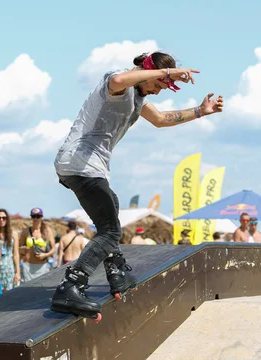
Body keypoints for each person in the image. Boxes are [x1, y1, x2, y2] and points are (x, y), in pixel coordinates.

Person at [51, 51, 223, 318]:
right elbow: (121, 79)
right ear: (149, 71)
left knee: (113, 211)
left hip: (87, 167)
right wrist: (165, 74)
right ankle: (70, 285)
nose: (156, 91)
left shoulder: (138, 98)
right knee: (109, 232)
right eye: (157, 85)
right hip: (80, 163)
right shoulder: (117, 83)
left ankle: (116, 271)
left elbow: (161, 120)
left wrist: (200, 111)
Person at [17, 207, 56, 283]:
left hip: (42, 266)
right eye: (33, 216)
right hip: (27, 266)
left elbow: (53, 249)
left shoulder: (47, 231)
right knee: (27, 291)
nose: (35, 219)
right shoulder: (25, 231)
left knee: (41, 291)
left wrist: (45, 255)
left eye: (37, 216)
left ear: (41, 217)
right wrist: (23, 249)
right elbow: (18, 248)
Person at [0, 208, 21, 292]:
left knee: (10, 294)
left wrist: (18, 272)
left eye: (4, 218)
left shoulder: (13, 234)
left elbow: (16, 254)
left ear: (7, 219)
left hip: (9, 268)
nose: (1, 220)